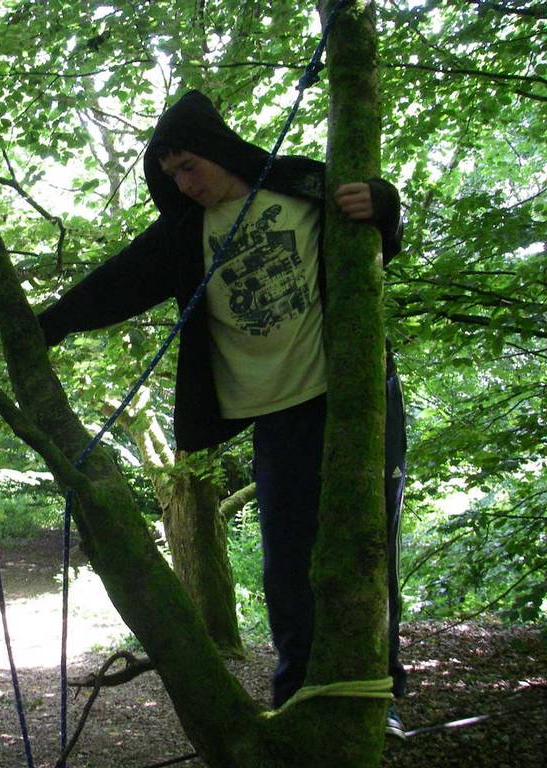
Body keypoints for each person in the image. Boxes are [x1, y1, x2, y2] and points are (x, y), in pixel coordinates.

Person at [38, 91, 408, 737]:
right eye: (170, 173)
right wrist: (48, 324)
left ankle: (379, 701)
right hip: (276, 416)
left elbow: (375, 239)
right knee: (288, 568)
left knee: (367, 551)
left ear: (214, 149)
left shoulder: (299, 181)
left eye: (189, 166)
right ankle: (299, 700)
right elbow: (117, 281)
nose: (183, 182)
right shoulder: (186, 230)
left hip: (354, 395)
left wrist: (385, 207)